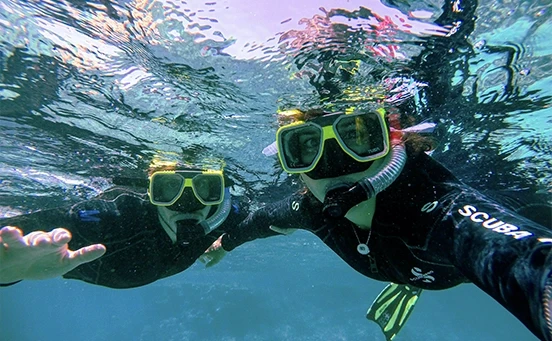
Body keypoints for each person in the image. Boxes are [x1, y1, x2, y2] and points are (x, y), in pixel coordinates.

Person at [204, 107, 552, 341]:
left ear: (392, 142)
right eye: (307, 145)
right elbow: (261, 220)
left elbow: (523, 260)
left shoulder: (442, 212)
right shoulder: (309, 208)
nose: (335, 163)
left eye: (357, 136)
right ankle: (410, 281)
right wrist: (225, 244)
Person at [0, 162, 247, 288]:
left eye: (206, 188)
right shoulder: (115, 217)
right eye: (169, 188)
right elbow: (14, 237)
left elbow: (265, 219)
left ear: (220, 193)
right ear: (152, 193)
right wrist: (9, 272)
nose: (188, 205)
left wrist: (228, 243)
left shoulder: (227, 214)